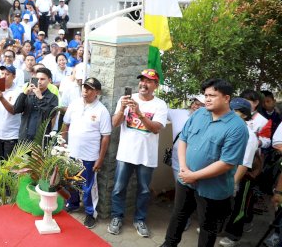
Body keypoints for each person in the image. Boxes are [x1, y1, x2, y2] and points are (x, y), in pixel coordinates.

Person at [160, 78, 249, 247]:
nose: (207, 99)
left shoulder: (237, 127)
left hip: (213, 188)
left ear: (226, 98)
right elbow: (183, 139)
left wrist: (194, 175)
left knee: (207, 227)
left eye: (212, 95)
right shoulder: (200, 114)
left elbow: (227, 163)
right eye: (206, 95)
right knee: (178, 215)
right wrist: (185, 169)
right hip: (185, 178)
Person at [108, 68, 168, 238]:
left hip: (146, 156)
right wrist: (121, 108)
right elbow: (115, 123)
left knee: (143, 190)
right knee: (119, 188)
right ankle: (117, 217)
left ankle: (140, 219)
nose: (143, 83)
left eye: (149, 81)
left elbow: (156, 129)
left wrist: (139, 114)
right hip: (125, 154)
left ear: (155, 85)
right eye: (142, 80)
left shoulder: (160, 105)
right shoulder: (127, 99)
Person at [62, 77, 111, 229]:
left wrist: (100, 159)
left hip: (89, 156)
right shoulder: (75, 104)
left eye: (90, 88)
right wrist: (63, 145)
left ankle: (90, 213)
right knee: (71, 181)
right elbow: (66, 124)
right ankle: (74, 203)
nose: (85, 90)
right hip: (72, 153)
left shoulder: (101, 110)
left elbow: (106, 137)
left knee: (88, 187)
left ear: (97, 92)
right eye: (84, 87)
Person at [218, 97, 260, 247]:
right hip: (225, 173)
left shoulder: (249, 136)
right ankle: (218, 228)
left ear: (244, 114)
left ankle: (233, 235)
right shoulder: (228, 128)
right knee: (223, 204)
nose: (229, 113)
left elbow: (244, 164)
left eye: (234, 110)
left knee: (239, 206)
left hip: (243, 176)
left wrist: (234, 184)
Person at [4, 67, 58, 141]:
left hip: (40, 139)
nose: (39, 81)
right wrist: (24, 94)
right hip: (24, 137)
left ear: (49, 80)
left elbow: (50, 114)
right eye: (37, 79)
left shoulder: (53, 97)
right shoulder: (28, 94)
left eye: (42, 79)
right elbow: (16, 109)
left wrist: (41, 98)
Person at [0, 65, 21, 161]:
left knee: (9, 167)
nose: (4, 76)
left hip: (11, 136)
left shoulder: (18, 91)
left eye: (7, 74)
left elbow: (13, 110)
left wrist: (1, 98)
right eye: (2, 74)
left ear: (14, 76)